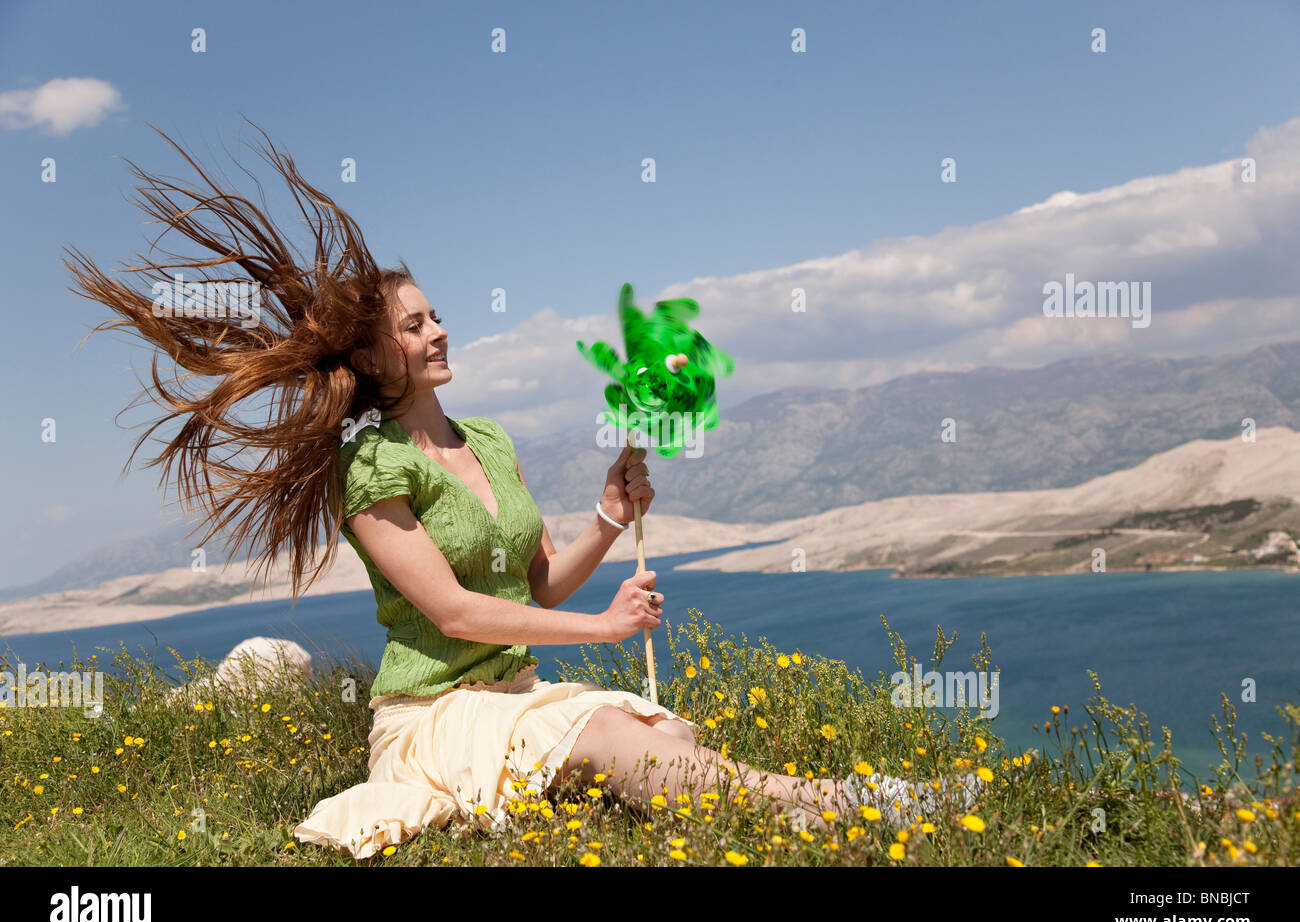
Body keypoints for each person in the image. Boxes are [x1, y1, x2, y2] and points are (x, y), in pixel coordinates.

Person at [65, 122, 975, 862]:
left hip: (516, 696)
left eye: (437, 314)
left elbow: (535, 586)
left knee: (673, 747)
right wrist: (607, 632)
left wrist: (610, 521)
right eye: (415, 324)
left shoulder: (490, 442)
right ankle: (853, 807)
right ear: (375, 357)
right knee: (624, 745)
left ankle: (793, 814)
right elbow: (458, 615)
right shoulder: (373, 468)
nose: (439, 330)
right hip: (432, 717)